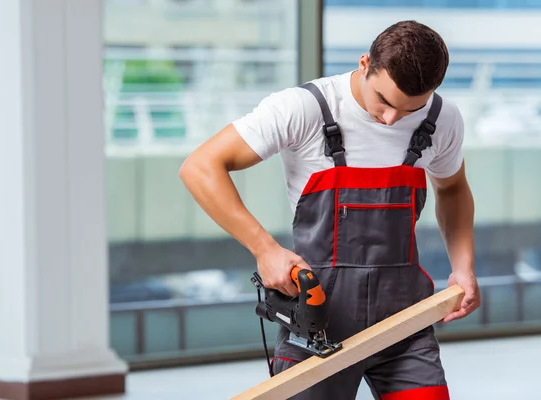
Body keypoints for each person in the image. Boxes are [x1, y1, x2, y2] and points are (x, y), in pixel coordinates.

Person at [179, 20, 480, 400]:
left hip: (405, 321)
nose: (391, 119)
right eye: (384, 102)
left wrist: (464, 266)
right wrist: (265, 249)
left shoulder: (442, 119)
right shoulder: (304, 108)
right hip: (317, 326)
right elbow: (201, 167)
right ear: (365, 63)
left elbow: (452, 188)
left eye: (409, 110)